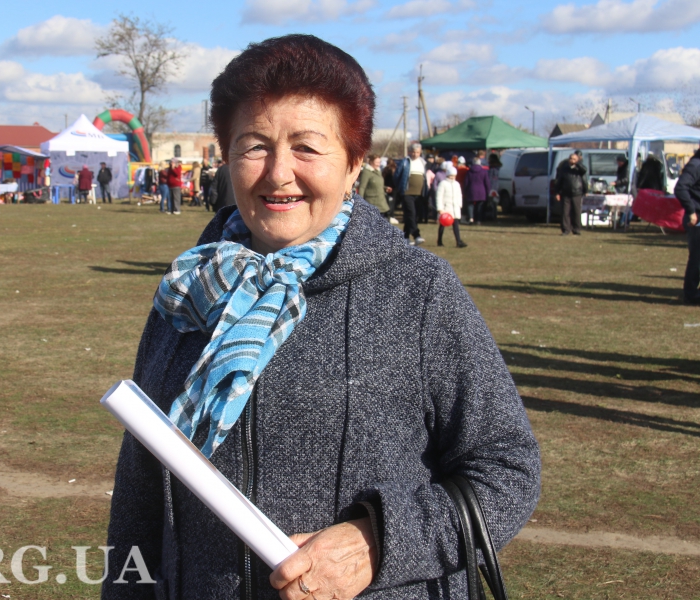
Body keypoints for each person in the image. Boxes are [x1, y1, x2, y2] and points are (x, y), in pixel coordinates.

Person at [103, 33, 540, 600]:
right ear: (227, 157)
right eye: (254, 146)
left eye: (307, 148)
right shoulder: (189, 290)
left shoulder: (418, 292)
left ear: (355, 164)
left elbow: (507, 468)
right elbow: (142, 482)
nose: (278, 173)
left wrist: (376, 543)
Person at [674, 147, 700, 305]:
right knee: (697, 258)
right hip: (696, 217)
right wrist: (691, 210)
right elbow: (680, 188)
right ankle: (691, 294)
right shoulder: (696, 165)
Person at [393, 143, 428, 245]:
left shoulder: (423, 162)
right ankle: (417, 235)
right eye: (413, 152)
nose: (415, 154)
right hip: (407, 192)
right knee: (411, 213)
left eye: (417, 152)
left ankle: (406, 237)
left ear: (420, 152)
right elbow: (397, 176)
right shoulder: (405, 162)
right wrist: (400, 188)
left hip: (419, 194)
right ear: (409, 152)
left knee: (412, 215)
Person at [555, 152, 587, 236]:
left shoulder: (579, 169)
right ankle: (566, 229)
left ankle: (576, 229)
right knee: (565, 212)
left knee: (576, 211)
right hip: (566, 193)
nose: (572, 160)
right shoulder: (564, 169)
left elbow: (584, 171)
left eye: (574, 159)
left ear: (577, 160)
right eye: (571, 159)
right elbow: (559, 181)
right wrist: (557, 192)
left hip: (577, 192)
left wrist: (577, 163)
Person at [436, 165, 466, 248]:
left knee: (456, 225)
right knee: (442, 225)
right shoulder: (443, 183)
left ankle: (458, 241)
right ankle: (439, 241)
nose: (452, 177)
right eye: (451, 175)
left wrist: (459, 205)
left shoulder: (457, 184)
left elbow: (459, 195)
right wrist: (440, 208)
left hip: (455, 208)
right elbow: (439, 196)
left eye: (454, 176)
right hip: (446, 208)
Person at [464, 157, 492, 225]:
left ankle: (471, 218)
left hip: (471, 190)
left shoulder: (469, 171)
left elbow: (466, 183)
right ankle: (478, 220)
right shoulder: (484, 171)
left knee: (470, 205)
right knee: (480, 206)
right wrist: (488, 192)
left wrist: (465, 190)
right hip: (481, 191)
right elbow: (487, 183)